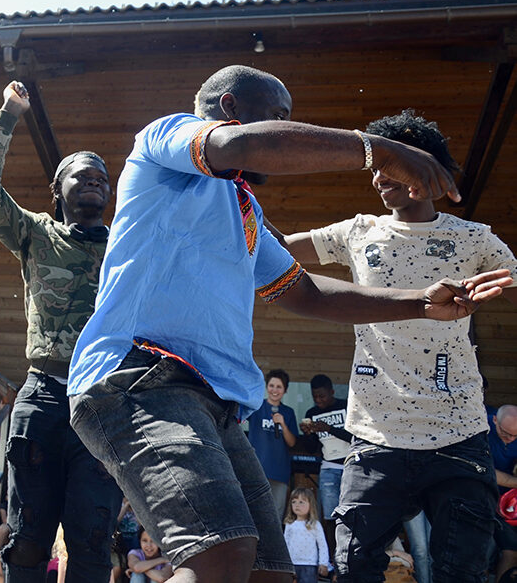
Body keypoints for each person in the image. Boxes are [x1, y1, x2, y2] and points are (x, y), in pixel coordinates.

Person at [67, 65, 511, 583]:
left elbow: (305, 291)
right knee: (220, 558)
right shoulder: (165, 138)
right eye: (277, 117)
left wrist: (419, 302)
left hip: (215, 401)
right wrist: (381, 149)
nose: (286, 128)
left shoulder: (246, 211)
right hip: (138, 378)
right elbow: (234, 147)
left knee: (267, 573)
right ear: (230, 108)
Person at [282, 109, 517, 583]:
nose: (377, 176)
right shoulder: (358, 231)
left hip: (459, 435)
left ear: (425, 171)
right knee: (353, 569)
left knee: (463, 571)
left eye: (390, 164)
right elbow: (275, 249)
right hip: (376, 438)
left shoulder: (472, 238)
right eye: (375, 164)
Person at [0, 79, 120, 582]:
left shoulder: (127, 247)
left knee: (92, 538)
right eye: (82, 175)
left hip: (104, 401)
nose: (95, 180)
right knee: (29, 536)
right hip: (45, 395)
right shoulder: (34, 232)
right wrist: (9, 115)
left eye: (102, 177)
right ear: (58, 190)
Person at [298, 375, 351, 536]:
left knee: (351, 513)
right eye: (315, 397)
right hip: (329, 468)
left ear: (332, 392)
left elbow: (354, 437)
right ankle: (333, 556)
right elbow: (312, 449)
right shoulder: (312, 413)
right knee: (330, 515)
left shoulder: (346, 406)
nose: (318, 400)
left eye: (322, 396)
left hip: (350, 467)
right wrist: (307, 434)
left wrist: (329, 429)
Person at [247, 369, 298, 519]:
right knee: (254, 512)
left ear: (285, 390)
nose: (274, 390)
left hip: (279, 472)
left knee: (275, 514)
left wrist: (282, 424)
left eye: (279, 387)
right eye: (271, 386)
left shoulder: (288, 412)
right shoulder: (256, 407)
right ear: (266, 387)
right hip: (256, 470)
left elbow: (292, 442)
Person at [490, 404, 517, 580]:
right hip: (481, 499)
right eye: (506, 433)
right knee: (480, 551)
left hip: (509, 505)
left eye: (515, 435)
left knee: (511, 549)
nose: (510, 439)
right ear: (494, 421)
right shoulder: (480, 432)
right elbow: (487, 472)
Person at [282, 488, 330, 583]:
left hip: (310, 565)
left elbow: (322, 545)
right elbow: (285, 544)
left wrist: (323, 563)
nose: (297, 505)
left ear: (310, 505)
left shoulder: (314, 524)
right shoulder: (289, 524)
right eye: (294, 502)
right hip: (292, 564)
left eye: (301, 502)